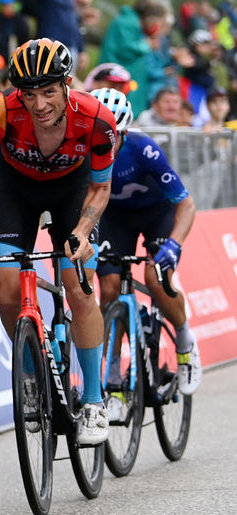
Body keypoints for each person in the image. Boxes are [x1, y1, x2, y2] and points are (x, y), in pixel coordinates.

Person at [0, 39, 118, 446]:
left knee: (79, 287)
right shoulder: (0, 111)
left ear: (67, 84)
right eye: (29, 94)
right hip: (17, 192)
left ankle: (94, 400)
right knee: (6, 290)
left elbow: (101, 187)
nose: (39, 104)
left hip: (74, 192)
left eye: (49, 92)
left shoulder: (97, 118)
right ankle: (30, 373)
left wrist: (82, 232)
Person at [90, 87, 202, 397]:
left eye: (110, 136)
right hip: (114, 218)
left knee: (156, 278)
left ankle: (185, 343)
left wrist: (174, 244)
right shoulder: (82, 152)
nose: (102, 143)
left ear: (123, 132)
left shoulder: (144, 149)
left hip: (156, 215)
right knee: (109, 289)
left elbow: (186, 204)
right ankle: (113, 380)